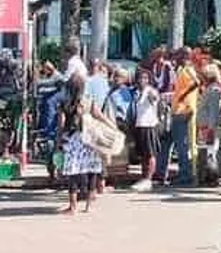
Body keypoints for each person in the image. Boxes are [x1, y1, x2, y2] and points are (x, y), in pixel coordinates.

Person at [57, 72, 117, 214]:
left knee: (73, 174)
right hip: (89, 140)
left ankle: (73, 207)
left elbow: (61, 124)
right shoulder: (88, 101)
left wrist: (59, 141)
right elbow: (100, 116)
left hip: (73, 141)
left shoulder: (65, 103)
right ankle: (88, 206)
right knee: (91, 172)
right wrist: (114, 128)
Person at [165, 48, 200, 187]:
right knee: (180, 146)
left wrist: (182, 96)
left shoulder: (188, 69)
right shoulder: (181, 70)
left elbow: (196, 82)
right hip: (179, 110)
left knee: (182, 145)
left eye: (178, 55)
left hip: (184, 110)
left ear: (184, 56)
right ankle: (183, 172)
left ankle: (186, 174)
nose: (176, 57)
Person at [130, 68, 160, 192]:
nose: (143, 80)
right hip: (139, 125)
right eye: (141, 78)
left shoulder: (150, 91)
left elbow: (154, 98)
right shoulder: (136, 92)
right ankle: (143, 177)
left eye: (145, 78)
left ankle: (149, 179)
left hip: (149, 125)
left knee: (150, 154)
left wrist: (152, 96)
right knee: (142, 155)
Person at [195, 64, 221, 186]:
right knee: (209, 152)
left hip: (209, 127)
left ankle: (212, 178)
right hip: (206, 126)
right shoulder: (210, 89)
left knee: (211, 153)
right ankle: (209, 177)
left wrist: (211, 129)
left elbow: (213, 111)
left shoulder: (213, 90)